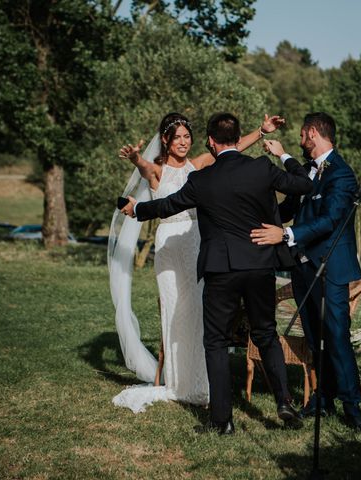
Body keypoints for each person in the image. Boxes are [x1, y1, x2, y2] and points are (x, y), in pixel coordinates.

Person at [121, 112, 312, 433]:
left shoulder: (201, 179)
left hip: (220, 269)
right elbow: (304, 184)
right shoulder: (261, 168)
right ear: (238, 139)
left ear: (210, 142)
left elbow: (168, 206)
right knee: (265, 333)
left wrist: (136, 209)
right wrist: (285, 156)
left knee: (216, 341)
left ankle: (222, 421)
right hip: (259, 264)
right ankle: (284, 402)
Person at [250, 112, 361, 434]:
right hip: (303, 267)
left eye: (303, 137)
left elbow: (331, 219)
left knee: (336, 335)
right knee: (315, 336)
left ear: (313, 134)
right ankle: (322, 396)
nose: (301, 142)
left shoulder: (342, 175)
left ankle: (352, 406)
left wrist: (287, 235)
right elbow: (287, 210)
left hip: (331, 266)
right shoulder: (304, 172)